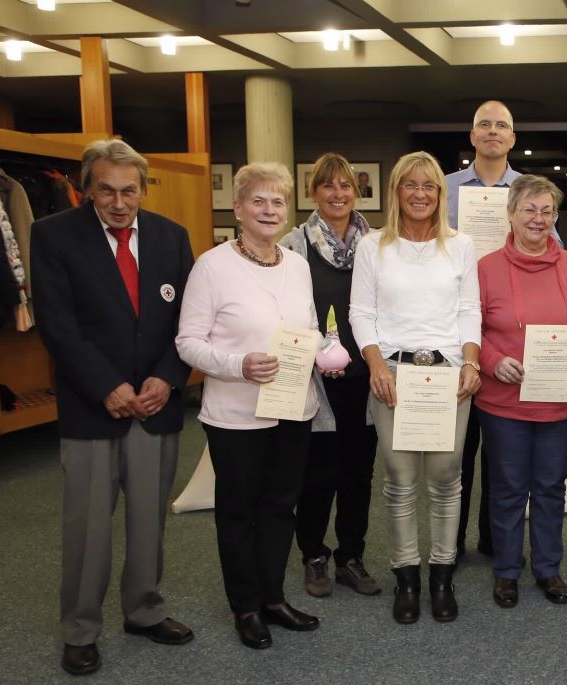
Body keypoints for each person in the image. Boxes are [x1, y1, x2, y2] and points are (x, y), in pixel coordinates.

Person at [33, 139, 195, 675]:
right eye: (107, 189)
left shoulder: (172, 238)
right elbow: (57, 324)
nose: (119, 201)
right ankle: (79, 628)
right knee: (88, 525)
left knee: (149, 516)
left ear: (143, 189)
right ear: (86, 189)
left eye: (130, 190)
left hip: (155, 403)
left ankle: (145, 609)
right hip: (91, 406)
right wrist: (106, 385)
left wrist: (168, 380)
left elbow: (188, 323)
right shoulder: (53, 235)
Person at [176, 162, 323, 650]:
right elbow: (188, 343)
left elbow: (306, 329)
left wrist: (324, 351)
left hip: (293, 408)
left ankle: (274, 598)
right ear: (238, 208)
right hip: (236, 414)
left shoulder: (297, 265)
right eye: (257, 200)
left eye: (277, 201)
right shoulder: (212, 266)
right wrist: (239, 364)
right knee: (239, 513)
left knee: (281, 507)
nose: (268, 209)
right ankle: (245, 606)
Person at [349, 151, 482, 624]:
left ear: (440, 194)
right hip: (394, 376)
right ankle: (407, 578)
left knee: (447, 479)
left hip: (448, 376)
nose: (420, 194)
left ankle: (442, 576)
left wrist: (472, 361)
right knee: (400, 481)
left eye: (429, 186)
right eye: (411, 185)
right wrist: (375, 367)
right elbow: (360, 313)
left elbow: (470, 310)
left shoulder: (461, 245)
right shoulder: (373, 246)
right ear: (396, 192)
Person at [476, 174, 567, 608]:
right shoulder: (486, 268)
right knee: (508, 487)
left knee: (550, 486)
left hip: (557, 400)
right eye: (529, 209)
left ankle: (548, 568)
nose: (538, 218)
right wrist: (493, 361)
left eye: (547, 210)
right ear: (510, 214)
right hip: (502, 402)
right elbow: (469, 329)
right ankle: (507, 571)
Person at [280, 153, 381, 599]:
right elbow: (282, 308)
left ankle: (352, 556)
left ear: (355, 191)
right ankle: (314, 555)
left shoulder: (377, 244)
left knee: (359, 472)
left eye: (344, 186)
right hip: (314, 378)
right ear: (313, 193)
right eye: (327, 186)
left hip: (367, 377)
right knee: (317, 472)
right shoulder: (294, 243)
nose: (337, 194)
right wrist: (315, 350)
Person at [445, 99, 522, 563]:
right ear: (472, 136)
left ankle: (496, 541)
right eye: (484, 125)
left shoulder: (528, 191)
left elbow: (548, 248)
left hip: (506, 333)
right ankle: (448, 543)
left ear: (512, 138)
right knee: (456, 448)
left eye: (502, 125)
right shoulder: (446, 189)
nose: (493, 131)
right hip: (452, 331)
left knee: (501, 452)